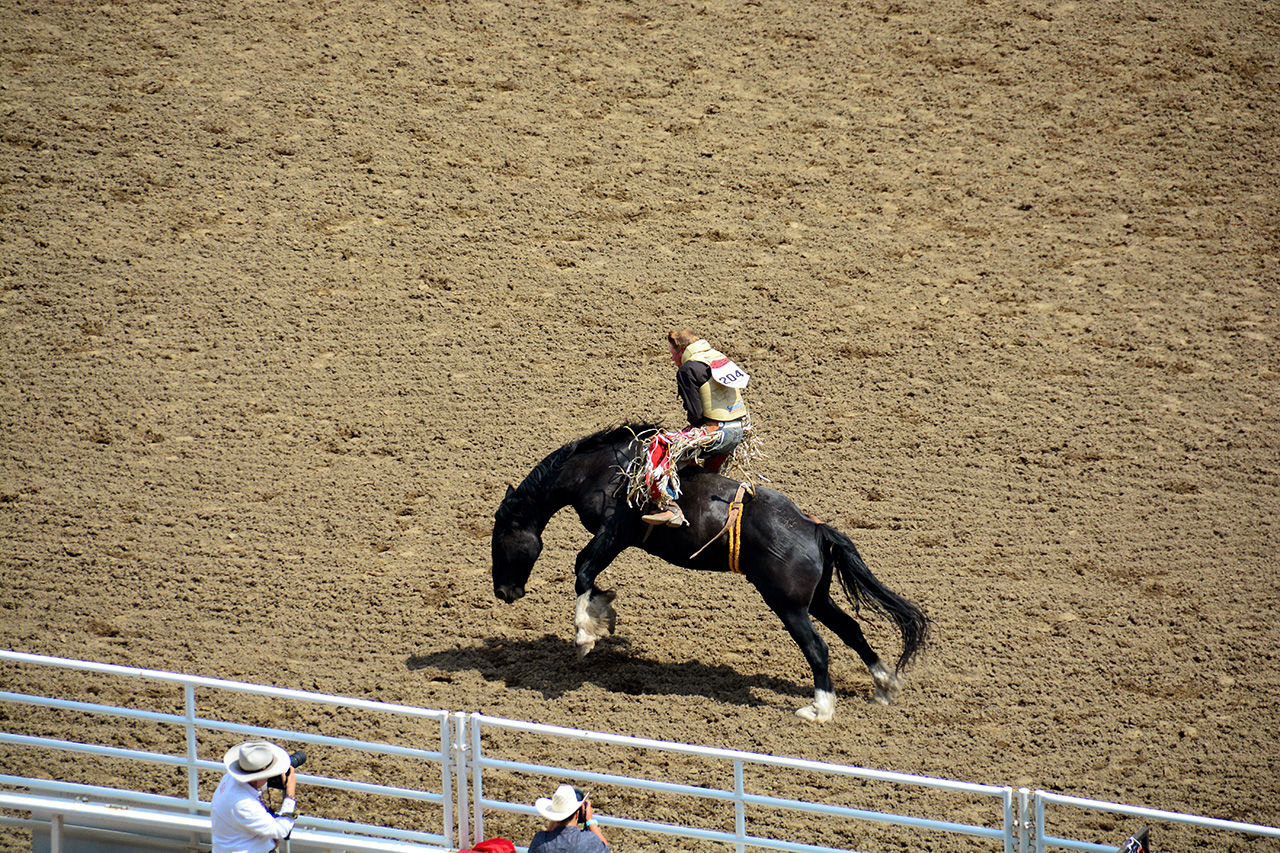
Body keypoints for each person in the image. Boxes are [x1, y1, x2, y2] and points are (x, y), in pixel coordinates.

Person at [640, 328, 753, 527]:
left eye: (673, 354)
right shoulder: (717, 358)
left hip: (718, 434)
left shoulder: (687, 369)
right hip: (738, 431)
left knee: (661, 444)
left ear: (681, 350)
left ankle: (669, 506)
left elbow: (696, 414)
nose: (673, 359)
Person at [211, 741, 299, 853]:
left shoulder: (229, 779)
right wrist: (290, 795)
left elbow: (253, 782)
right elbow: (280, 830)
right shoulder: (244, 804)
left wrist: (274, 781)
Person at [528, 784, 608, 853]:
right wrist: (590, 821)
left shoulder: (539, 840)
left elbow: (546, 836)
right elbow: (605, 849)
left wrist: (555, 815)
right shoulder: (587, 840)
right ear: (577, 814)